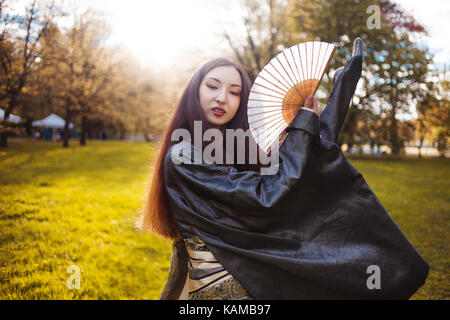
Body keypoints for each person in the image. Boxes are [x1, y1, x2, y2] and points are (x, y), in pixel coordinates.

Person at [140, 38, 429, 300]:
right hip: (223, 286)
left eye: (234, 91)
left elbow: (304, 168)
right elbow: (267, 196)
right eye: (213, 86)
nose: (221, 98)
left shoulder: (238, 147)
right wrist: (302, 126)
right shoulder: (184, 155)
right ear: (195, 90)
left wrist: (337, 97)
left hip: (255, 268)